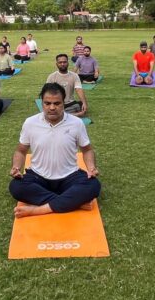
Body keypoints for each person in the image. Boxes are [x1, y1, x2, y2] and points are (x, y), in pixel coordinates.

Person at [8, 83, 101, 218]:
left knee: (93, 185)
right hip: (38, 176)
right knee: (16, 187)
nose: (52, 107)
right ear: (42, 103)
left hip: (69, 176)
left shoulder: (76, 123)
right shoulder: (30, 123)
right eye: (47, 103)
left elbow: (87, 150)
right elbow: (20, 151)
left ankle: (38, 210)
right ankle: (73, 202)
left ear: (64, 103)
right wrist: (16, 167)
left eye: (57, 103)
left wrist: (91, 168)